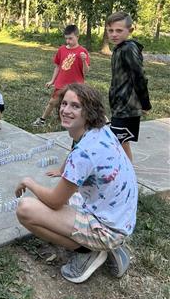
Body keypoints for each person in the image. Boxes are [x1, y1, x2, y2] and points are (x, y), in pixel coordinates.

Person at [16, 83, 138, 284]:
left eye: (75, 106)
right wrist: (64, 171)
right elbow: (78, 155)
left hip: (109, 228)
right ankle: (106, 244)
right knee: (68, 195)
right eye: (64, 104)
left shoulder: (84, 153)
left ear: (88, 112)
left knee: (26, 209)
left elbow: (55, 201)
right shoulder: (101, 129)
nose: (65, 110)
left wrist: (29, 182)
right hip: (121, 217)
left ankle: (89, 251)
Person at [106, 12, 151, 162]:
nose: (114, 34)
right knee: (122, 143)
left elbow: (139, 76)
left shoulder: (128, 48)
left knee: (118, 143)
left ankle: (126, 175)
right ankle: (125, 174)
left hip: (127, 107)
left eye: (119, 31)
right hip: (119, 106)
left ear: (130, 31)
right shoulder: (119, 48)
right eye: (110, 30)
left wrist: (145, 104)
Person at [32, 25, 90, 127]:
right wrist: (52, 81)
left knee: (77, 105)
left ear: (78, 37)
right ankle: (42, 120)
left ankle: (82, 123)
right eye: (66, 38)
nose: (68, 41)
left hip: (76, 86)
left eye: (70, 38)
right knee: (52, 102)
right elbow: (57, 67)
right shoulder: (62, 49)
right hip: (61, 83)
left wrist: (84, 61)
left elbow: (85, 72)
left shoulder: (82, 51)